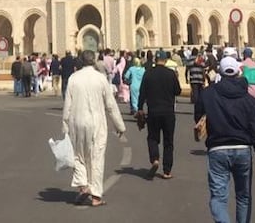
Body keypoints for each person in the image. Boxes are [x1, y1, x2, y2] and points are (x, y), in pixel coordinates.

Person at [196, 56, 255, 223]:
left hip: (217, 149)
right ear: (238, 72)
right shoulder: (248, 99)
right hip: (242, 149)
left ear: (220, 72)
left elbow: (198, 117)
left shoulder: (208, 94)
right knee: (243, 196)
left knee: (218, 197)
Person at [61, 49, 126, 208]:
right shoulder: (101, 79)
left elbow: (67, 106)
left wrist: (65, 127)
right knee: (96, 158)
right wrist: (119, 125)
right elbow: (110, 105)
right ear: (94, 61)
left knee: (79, 156)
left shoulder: (73, 78)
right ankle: (96, 196)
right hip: (97, 123)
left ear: (81, 61)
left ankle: (83, 186)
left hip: (77, 122)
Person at [138, 50, 181, 179]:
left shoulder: (148, 73)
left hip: (153, 112)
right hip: (168, 112)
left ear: (155, 60)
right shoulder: (171, 74)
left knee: (152, 138)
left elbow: (142, 93)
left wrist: (140, 108)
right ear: (165, 60)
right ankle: (167, 171)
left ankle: (155, 159)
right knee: (168, 141)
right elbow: (178, 91)